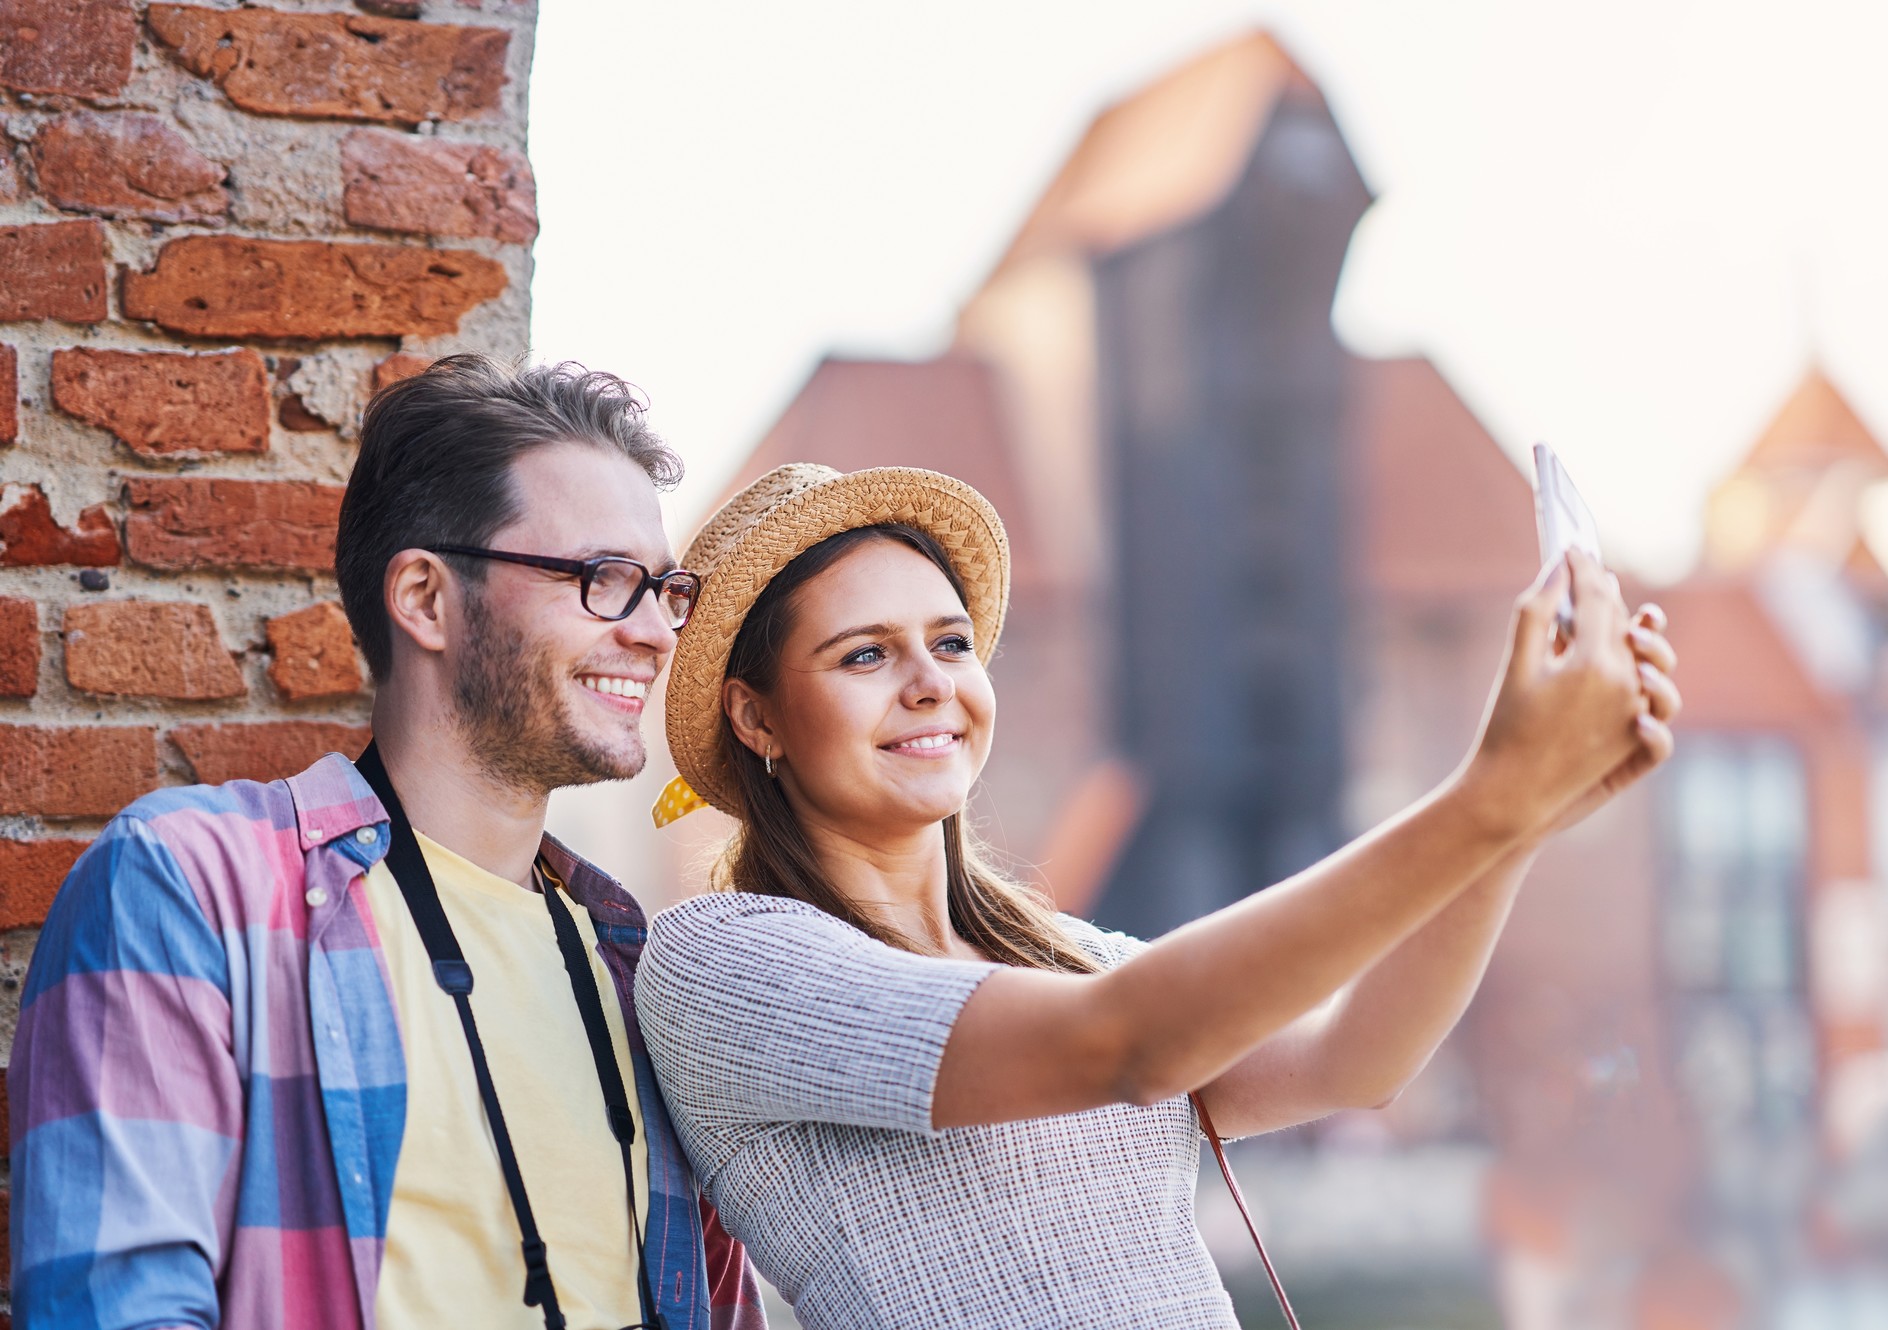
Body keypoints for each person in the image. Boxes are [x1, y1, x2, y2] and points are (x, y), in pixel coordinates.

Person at [633, 463, 1682, 1329]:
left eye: (949, 642)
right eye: (863, 653)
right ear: (756, 718)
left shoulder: (1068, 955)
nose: (929, 682)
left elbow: (1353, 1061)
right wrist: (1484, 796)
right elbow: (1128, 1046)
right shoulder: (724, 960)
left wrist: (1518, 822)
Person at [9, 357, 764, 1330]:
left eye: (665, 588)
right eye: (606, 579)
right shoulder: (189, 886)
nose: (659, 632)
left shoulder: (633, 960)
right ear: (424, 598)